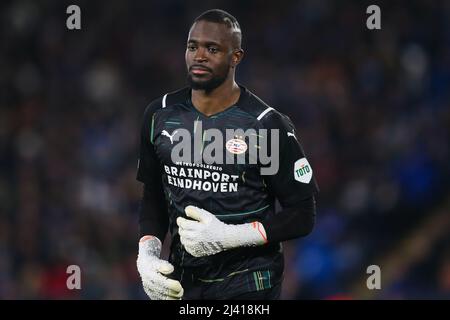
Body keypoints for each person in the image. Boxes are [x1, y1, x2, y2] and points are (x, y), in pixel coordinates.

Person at [136, 9, 318, 300]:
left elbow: (302, 214)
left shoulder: (266, 124)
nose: (199, 56)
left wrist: (230, 237)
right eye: (192, 46)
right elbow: (153, 197)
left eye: (212, 49)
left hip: (251, 284)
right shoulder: (159, 114)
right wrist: (147, 255)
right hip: (186, 282)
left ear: (236, 57)